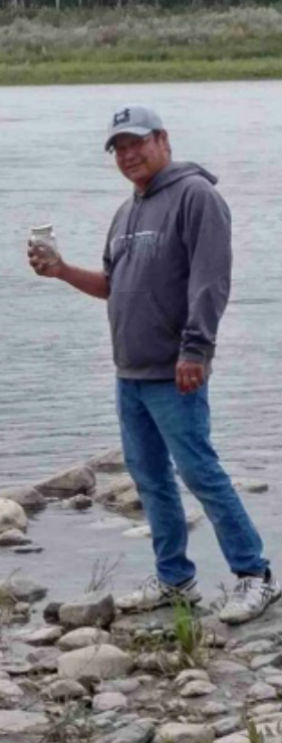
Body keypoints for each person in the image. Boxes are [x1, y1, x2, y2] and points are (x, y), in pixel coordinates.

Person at [27, 104, 279, 625]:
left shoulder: (197, 197)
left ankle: (256, 576)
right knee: (149, 479)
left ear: (163, 139)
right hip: (131, 374)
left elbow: (212, 281)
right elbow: (113, 286)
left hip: (175, 369)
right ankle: (175, 582)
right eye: (118, 147)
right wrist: (60, 271)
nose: (128, 154)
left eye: (136, 142)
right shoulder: (127, 213)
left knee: (200, 473)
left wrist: (196, 349)